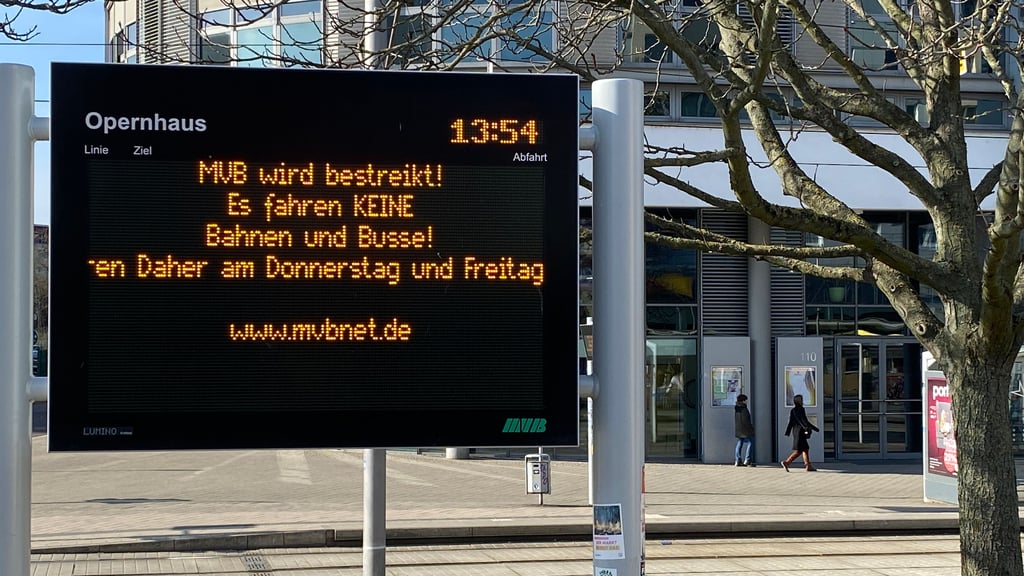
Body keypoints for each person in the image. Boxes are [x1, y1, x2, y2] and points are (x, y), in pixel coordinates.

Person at [781, 394, 819, 472]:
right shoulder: (801, 409)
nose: (802, 401)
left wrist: (787, 432)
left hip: (795, 432)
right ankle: (787, 462)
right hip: (801, 432)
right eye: (802, 400)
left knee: (805, 448)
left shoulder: (793, 410)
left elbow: (791, 422)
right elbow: (804, 421)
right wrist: (814, 428)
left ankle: (808, 465)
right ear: (800, 401)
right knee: (799, 450)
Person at [734, 394, 755, 466]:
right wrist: (751, 428)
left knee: (740, 442)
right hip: (746, 429)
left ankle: (738, 460)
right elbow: (746, 420)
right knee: (751, 442)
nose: (747, 401)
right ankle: (748, 459)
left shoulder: (737, 408)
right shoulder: (744, 409)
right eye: (746, 400)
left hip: (739, 429)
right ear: (743, 401)